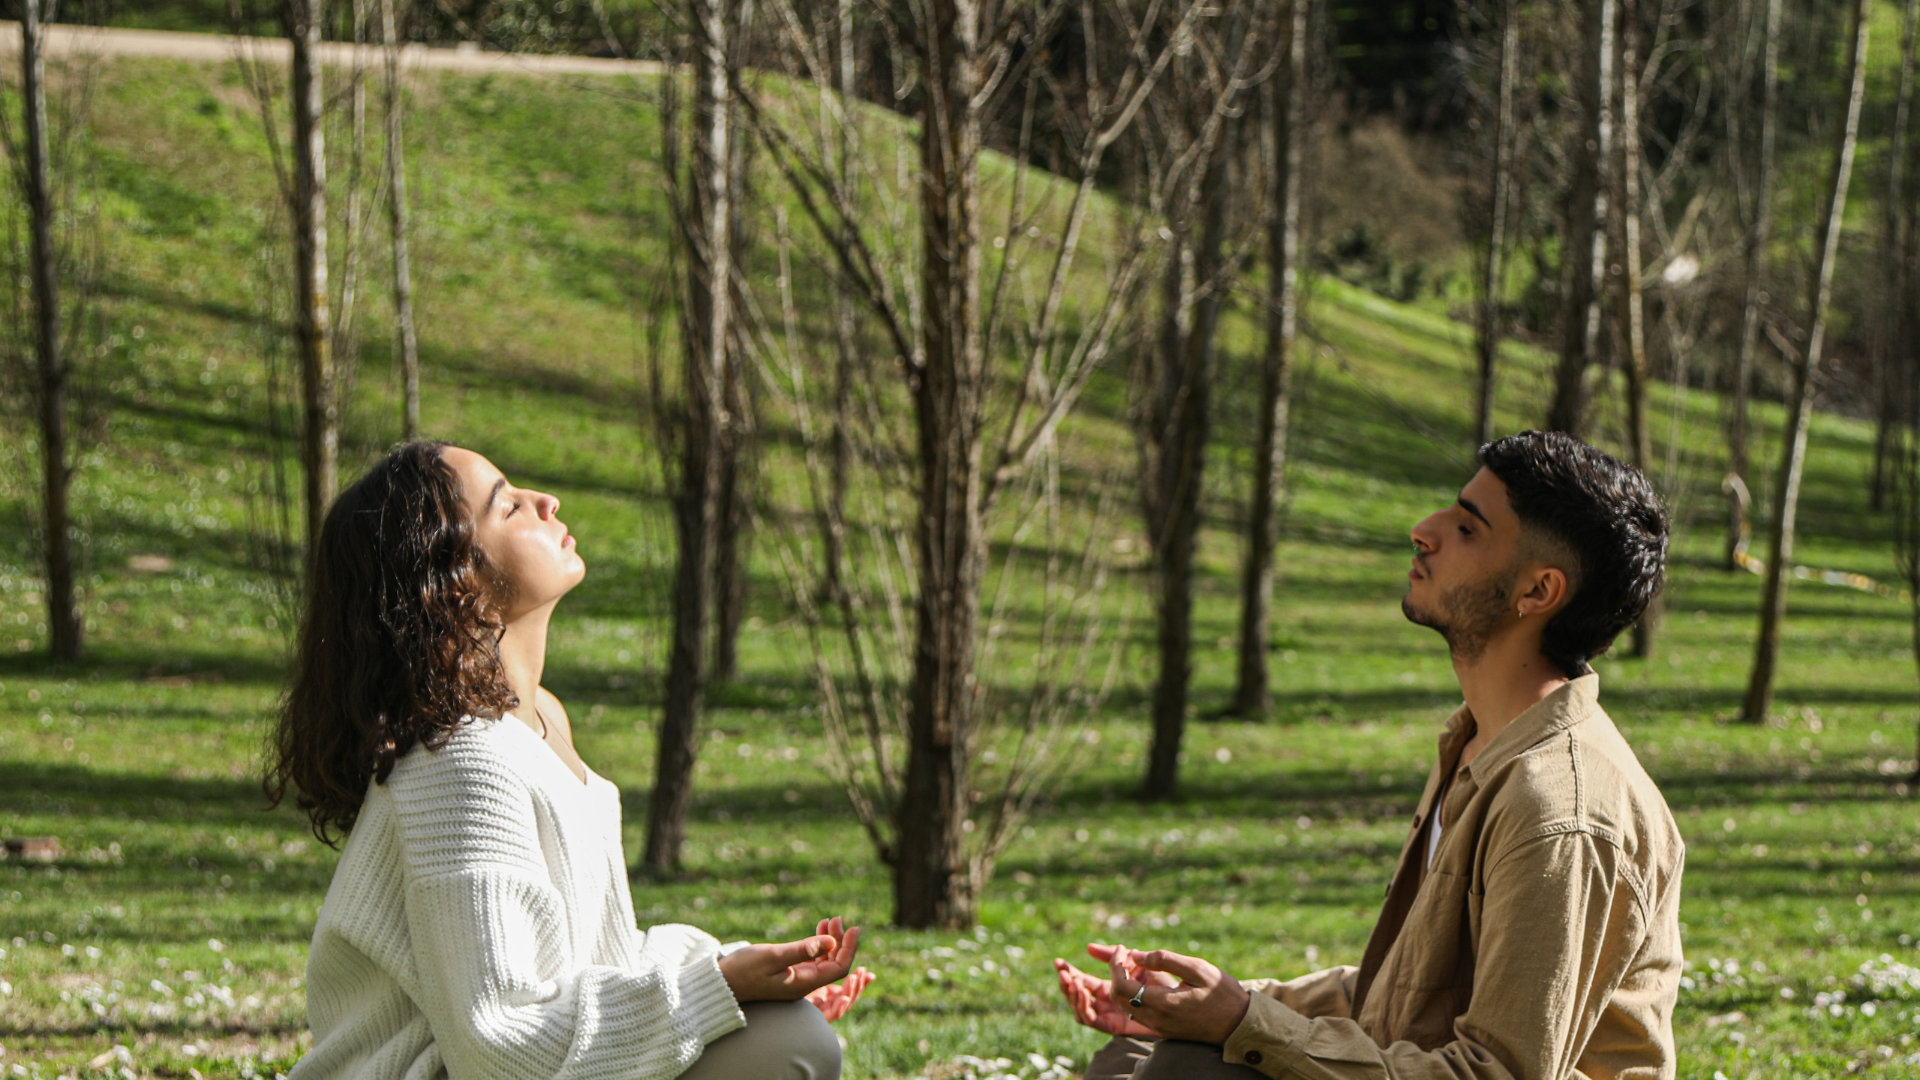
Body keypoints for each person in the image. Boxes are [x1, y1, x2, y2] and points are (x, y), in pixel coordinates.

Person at [1055, 430, 1683, 1080]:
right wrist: (1217, 1007)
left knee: (1183, 1072)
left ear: (1536, 591)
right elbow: (1405, 995)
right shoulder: (1480, 742)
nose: (1424, 530)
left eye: (1468, 529)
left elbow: (1495, 1074)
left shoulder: (1560, 811)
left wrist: (1242, 1023)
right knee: (1138, 1052)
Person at [267, 441, 873, 1080]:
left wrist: (741, 974)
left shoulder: (541, 721)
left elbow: (597, 959)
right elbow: (500, 1045)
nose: (547, 502)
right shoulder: (460, 765)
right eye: (509, 507)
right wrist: (716, 987)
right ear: (454, 581)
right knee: (788, 1045)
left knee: (780, 1033)